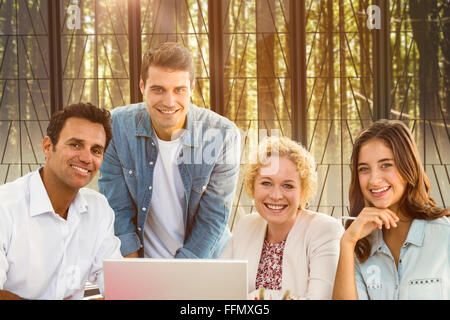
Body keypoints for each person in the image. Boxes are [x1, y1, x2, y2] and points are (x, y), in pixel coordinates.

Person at [98, 42, 240, 259]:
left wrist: (177, 280)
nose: (169, 101)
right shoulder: (116, 126)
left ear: (191, 88)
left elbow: (213, 219)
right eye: (158, 89)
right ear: (142, 86)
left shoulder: (222, 135)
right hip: (141, 263)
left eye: (179, 90)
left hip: (203, 263)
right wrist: (137, 275)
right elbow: (117, 209)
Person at [0, 103, 122, 300]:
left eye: (96, 150)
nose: (86, 157)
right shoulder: (5, 207)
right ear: (48, 147)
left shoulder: (99, 209)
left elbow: (116, 285)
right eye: (75, 144)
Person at [332, 120, 449, 300]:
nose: (374, 180)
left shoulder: (445, 235)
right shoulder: (360, 245)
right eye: (364, 169)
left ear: (408, 166)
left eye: (386, 165)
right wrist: (347, 242)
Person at [221, 136, 344, 299]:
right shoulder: (246, 225)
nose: (276, 195)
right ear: (253, 185)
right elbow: (220, 290)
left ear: (303, 191)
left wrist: (256, 296)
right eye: (266, 183)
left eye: (287, 185)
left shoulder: (325, 230)